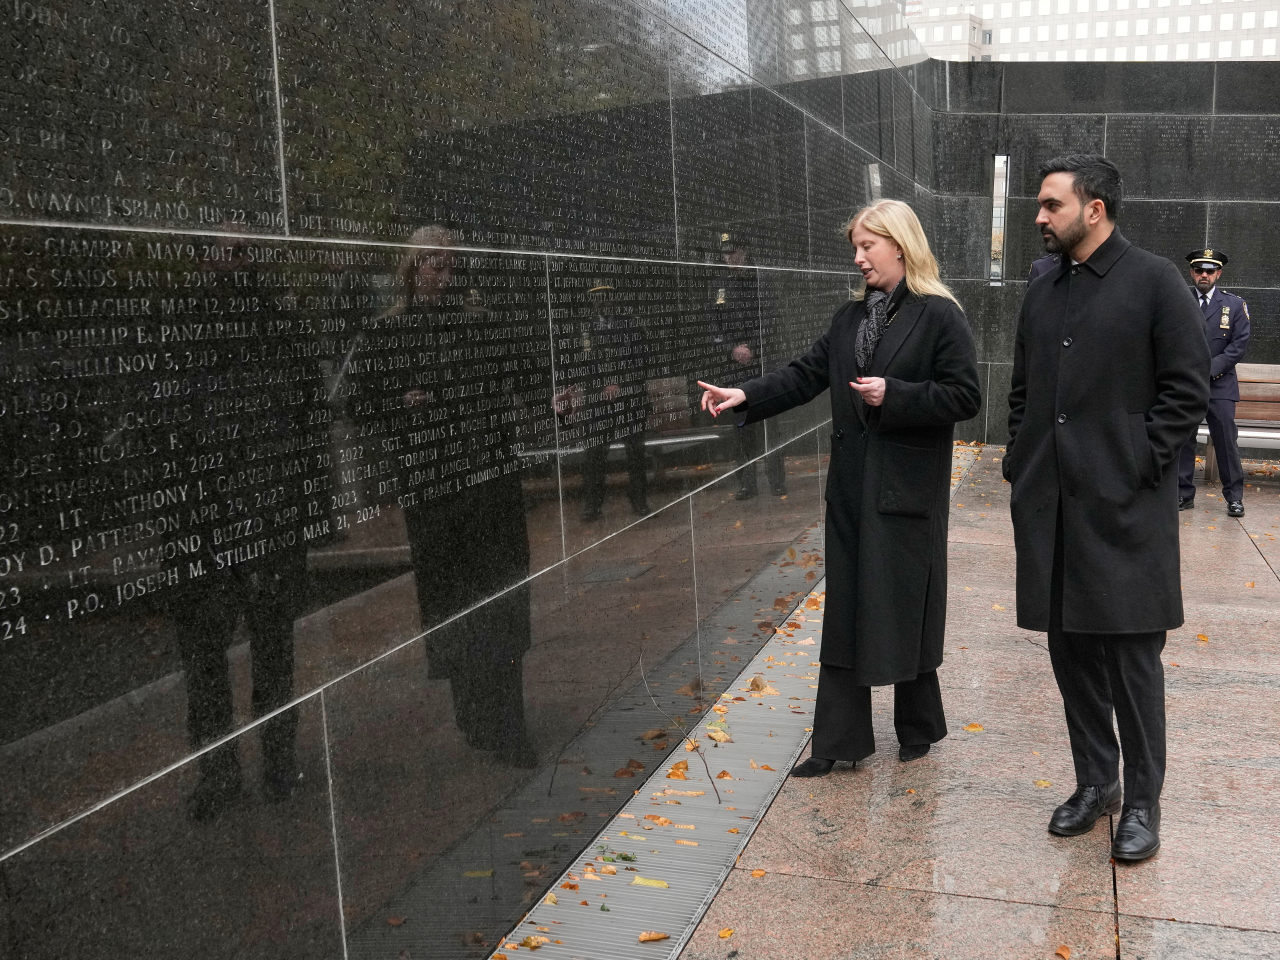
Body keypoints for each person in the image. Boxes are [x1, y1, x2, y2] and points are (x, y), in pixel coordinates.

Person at [698, 200, 981, 777]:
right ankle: (838, 741)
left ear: (899, 246)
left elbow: (966, 397)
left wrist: (895, 395)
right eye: (855, 247)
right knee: (848, 610)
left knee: (906, 605)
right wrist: (746, 395)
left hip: (906, 489)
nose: (857, 259)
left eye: (866, 247)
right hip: (851, 490)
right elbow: (805, 374)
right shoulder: (848, 318)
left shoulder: (940, 316)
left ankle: (918, 725)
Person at [1004, 155, 1209, 862]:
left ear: (1095, 209)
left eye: (1052, 205)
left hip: (1124, 511)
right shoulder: (1042, 287)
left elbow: (1187, 391)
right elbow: (1024, 390)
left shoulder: (1155, 281)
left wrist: (1138, 463)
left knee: (1131, 660)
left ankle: (1144, 802)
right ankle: (1097, 783)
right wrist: (1020, 460)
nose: (1040, 217)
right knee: (1071, 655)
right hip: (1053, 509)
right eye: (1040, 205)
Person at [554, 281, 651, 522]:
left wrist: (620, 383)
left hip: (629, 397)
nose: (602, 301)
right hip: (599, 402)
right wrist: (602, 387)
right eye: (597, 297)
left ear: (614, 299)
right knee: (595, 454)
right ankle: (593, 504)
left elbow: (641, 359)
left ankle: (639, 500)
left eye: (607, 297)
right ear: (591, 301)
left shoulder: (631, 325)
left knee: (635, 452)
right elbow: (582, 365)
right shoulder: (584, 329)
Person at [708, 232, 786, 500]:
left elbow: (771, 318)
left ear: (745, 251)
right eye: (726, 254)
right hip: (735, 368)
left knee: (770, 425)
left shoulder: (760, 280)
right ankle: (747, 483)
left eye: (734, 252)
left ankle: (776, 480)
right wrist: (732, 349)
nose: (730, 258)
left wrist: (752, 347)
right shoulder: (719, 286)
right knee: (742, 428)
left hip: (761, 363)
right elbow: (713, 326)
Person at [1176, 248, 1250, 516]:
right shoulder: (1178, 299)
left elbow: (1238, 345)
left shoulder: (1234, 305)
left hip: (1220, 385)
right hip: (1185, 383)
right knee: (1183, 439)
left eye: (1209, 271)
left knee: (1226, 442)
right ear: (1191, 272)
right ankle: (1182, 494)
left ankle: (1234, 497)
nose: (1203, 275)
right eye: (1198, 270)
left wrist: (1208, 370)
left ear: (1218, 273)